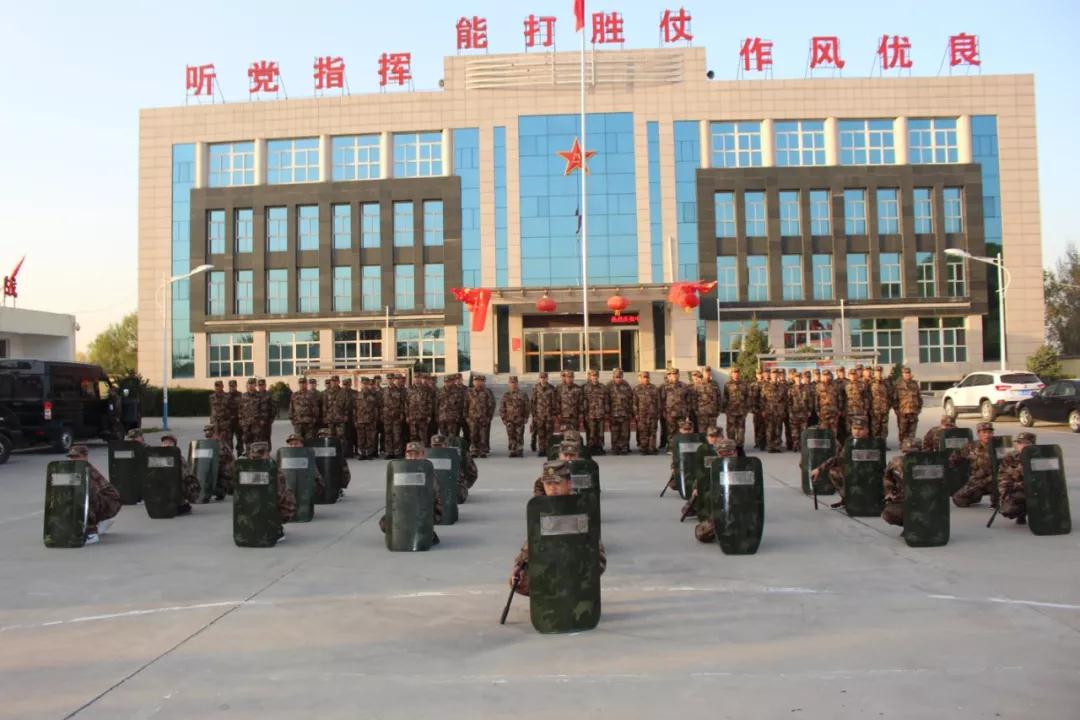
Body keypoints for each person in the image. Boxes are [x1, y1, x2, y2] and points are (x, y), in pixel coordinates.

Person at [511, 460, 606, 597]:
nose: (552, 488)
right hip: (552, 562)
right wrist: (519, 565)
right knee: (519, 582)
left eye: (557, 483)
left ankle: (572, 592)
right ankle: (554, 597)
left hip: (580, 561)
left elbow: (594, 549)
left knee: (574, 575)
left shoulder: (581, 506)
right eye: (548, 484)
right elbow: (532, 540)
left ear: (569, 484)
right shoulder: (541, 508)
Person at [379, 441, 442, 542]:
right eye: (410, 454)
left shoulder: (429, 472)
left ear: (422, 455)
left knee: (417, 520)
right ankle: (405, 534)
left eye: (416, 454)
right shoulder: (401, 471)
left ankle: (428, 533)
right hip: (405, 508)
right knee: (385, 523)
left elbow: (434, 497)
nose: (413, 458)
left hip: (425, 510)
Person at [810, 415, 871, 506]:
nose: (857, 432)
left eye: (861, 429)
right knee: (834, 472)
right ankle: (847, 499)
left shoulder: (872, 443)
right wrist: (819, 469)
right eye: (854, 428)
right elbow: (838, 458)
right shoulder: (850, 442)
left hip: (868, 477)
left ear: (867, 430)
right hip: (854, 473)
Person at [68, 444, 122, 545]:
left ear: (85, 456)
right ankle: (99, 523)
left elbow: (92, 494)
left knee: (85, 496)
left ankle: (92, 533)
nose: (73, 459)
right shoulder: (73, 470)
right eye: (71, 457)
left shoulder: (88, 471)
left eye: (77, 456)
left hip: (111, 502)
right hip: (100, 500)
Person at [690, 437, 738, 543]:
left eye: (729, 453)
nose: (726, 456)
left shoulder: (744, 466)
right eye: (722, 453)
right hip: (718, 499)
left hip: (738, 499)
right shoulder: (713, 465)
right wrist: (696, 488)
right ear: (717, 453)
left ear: (735, 452)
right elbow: (702, 478)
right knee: (703, 534)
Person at [245, 442, 296, 526]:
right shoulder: (245, 469)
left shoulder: (275, 471)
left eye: (261, 454)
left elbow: (279, 496)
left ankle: (275, 525)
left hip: (273, 506)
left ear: (267, 454)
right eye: (255, 456)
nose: (258, 458)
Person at [952, 422, 996, 507]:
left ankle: (997, 499)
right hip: (977, 481)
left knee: (1005, 505)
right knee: (958, 499)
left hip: (993, 481)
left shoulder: (999, 445)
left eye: (990, 432)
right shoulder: (971, 446)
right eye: (984, 432)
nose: (987, 435)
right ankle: (976, 496)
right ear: (978, 434)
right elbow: (955, 458)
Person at [996, 431, 1035, 525]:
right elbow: (1002, 478)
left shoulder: (1040, 457)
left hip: (1037, 490)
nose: (1022, 446)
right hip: (1018, 490)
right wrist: (1004, 495)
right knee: (1008, 509)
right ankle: (1022, 513)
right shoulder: (1010, 458)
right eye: (1020, 443)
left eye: (1026, 443)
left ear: (1033, 445)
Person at [881, 438, 920, 526]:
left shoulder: (925, 463)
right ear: (903, 451)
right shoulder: (896, 462)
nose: (910, 454)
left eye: (914, 452)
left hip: (920, 501)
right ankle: (908, 527)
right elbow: (887, 477)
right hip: (901, 499)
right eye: (907, 452)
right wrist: (889, 492)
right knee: (888, 514)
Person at [159, 434, 200, 515]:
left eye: (169, 443)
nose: (166, 445)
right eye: (164, 443)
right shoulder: (157, 457)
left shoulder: (179, 458)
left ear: (174, 446)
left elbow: (185, 474)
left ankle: (181, 504)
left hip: (176, 484)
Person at [499, 376, 531, 458]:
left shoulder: (523, 394)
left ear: (517, 383)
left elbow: (527, 407)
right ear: (509, 384)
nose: (513, 384)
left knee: (519, 435)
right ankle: (513, 450)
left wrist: (526, 417)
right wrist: (504, 419)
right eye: (511, 382)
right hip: (509, 419)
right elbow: (502, 408)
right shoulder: (506, 395)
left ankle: (519, 450)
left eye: (515, 383)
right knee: (511, 435)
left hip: (520, 419)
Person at [721, 366, 750, 453]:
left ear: (739, 374)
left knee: (741, 430)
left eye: (737, 373)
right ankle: (731, 446)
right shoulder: (727, 384)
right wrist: (724, 409)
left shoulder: (744, 384)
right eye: (734, 373)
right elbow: (725, 397)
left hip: (741, 411)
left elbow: (748, 397)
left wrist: (747, 409)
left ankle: (740, 447)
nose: (736, 374)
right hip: (731, 411)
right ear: (731, 374)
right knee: (730, 430)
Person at [661, 368, 690, 452]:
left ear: (679, 375)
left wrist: (687, 411)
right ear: (669, 376)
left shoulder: (684, 386)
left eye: (676, 374)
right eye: (673, 374)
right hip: (670, 413)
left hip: (682, 413)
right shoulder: (665, 386)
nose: (675, 376)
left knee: (682, 431)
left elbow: (688, 400)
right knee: (671, 431)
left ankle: (680, 448)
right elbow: (662, 400)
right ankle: (671, 448)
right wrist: (663, 411)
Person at [582, 369, 610, 455]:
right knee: (591, 432)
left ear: (598, 376)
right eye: (593, 376)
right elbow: (583, 401)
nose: (594, 377)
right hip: (590, 415)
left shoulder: (603, 387)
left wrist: (606, 412)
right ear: (590, 377)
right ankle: (591, 448)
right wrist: (584, 413)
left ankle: (599, 447)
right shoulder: (585, 387)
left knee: (600, 432)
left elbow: (606, 401)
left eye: (596, 376)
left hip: (601, 414)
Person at [608, 368, 635, 455]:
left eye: (620, 377)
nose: (618, 379)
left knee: (625, 432)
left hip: (625, 413)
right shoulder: (609, 386)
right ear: (613, 377)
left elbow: (631, 399)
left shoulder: (626, 385)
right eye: (616, 377)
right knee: (614, 432)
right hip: (613, 413)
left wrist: (631, 412)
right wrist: (607, 412)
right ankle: (615, 448)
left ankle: (624, 448)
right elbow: (606, 400)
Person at [468, 374, 496, 458]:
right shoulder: (469, 392)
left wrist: (489, 417)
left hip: (484, 418)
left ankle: (483, 450)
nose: (478, 383)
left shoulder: (487, 392)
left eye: (480, 381)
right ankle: (474, 450)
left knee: (483, 435)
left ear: (483, 382)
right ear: (473, 382)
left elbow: (492, 405)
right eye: (476, 381)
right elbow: (465, 405)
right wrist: (467, 417)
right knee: (473, 435)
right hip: (472, 418)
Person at [530, 372, 558, 457]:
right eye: (541, 378)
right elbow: (533, 402)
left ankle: (549, 450)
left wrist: (554, 414)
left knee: (549, 434)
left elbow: (554, 402)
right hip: (539, 415)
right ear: (539, 378)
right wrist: (534, 415)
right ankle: (542, 450)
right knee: (541, 433)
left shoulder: (552, 388)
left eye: (544, 378)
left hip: (549, 415)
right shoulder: (536, 388)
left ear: (547, 378)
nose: (543, 379)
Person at [202, 423, 233, 499]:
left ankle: (222, 490)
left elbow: (221, 460)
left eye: (209, 431)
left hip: (225, 473)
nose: (207, 433)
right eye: (206, 431)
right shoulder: (208, 443)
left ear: (214, 432)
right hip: (217, 470)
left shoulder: (220, 444)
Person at [316, 427, 350, 495]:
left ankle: (338, 487)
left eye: (325, 435)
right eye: (320, 435)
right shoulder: (315, 445)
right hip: (319, 466)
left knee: (343, 471)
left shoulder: (336, 444)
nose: (322, 437)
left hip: (332, 465)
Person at [894, 366, 923, 445]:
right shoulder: (898, 385)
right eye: (905, 373)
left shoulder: (915, 384)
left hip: (913, 411)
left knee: (912, 431)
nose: (907, 374)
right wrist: (897, 411)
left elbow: (919, 397)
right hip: (903, 412)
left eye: (908, 373)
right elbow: (895, 399)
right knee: (903, 431)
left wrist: (919, 409)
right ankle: (903, 445)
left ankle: (911, 446)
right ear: (902, 374)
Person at [381, 373, 407, 459]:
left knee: (397, 434)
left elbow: (403, 403)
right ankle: (389, 452)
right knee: (388, 434)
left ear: (394, 380)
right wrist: (381, 414)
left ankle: (397, 452)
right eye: (388, 379)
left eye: (392, 379)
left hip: (396, 415)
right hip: (386, 416)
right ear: (387, 380)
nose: (390, 381)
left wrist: (402, 413)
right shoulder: (384, 390)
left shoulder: (399, 390)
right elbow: (381, 404)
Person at [354, 377, 381, 460]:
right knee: (361, 438)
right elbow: (354, 409)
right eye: (363, 384)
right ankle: (362, 454)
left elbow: (376, 408)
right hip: (360, 420)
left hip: (370, 419)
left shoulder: (374, 395)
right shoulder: (357, 395)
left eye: (367, 384)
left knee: (370, 437)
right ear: (361, 384)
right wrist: (355, 420)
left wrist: (375, 420)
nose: (365, 385)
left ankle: (369, 453)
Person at [634, 371, 660, 454]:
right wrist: (636, 414)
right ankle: (644, 448)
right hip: (642, 415)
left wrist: (658, 413)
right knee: (643, 431)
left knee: (652, 431)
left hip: (653, 414)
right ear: (640, 378)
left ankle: (652, 448)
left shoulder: (654, 388)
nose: (646, 379)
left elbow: (658, 402)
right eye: (644, 377)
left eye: (647, 377)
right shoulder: (636, 389)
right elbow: (634, 403)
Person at [761, 368, 787, 453]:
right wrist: (763, 410)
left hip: (779, 412)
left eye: (776, 374)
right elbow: (762, 399)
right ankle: (770, 446)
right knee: (770, 429)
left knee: (778, 429)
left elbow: (785, 399)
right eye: (773, 374)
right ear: (770, 375)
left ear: (778, 375)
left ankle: (777, 446)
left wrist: (783, 410)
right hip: (769, 411)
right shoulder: (765, 386)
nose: (775, 375)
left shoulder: (782, 386)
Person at [815, 370, 842, 440]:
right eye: (824, 375)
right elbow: (816, 399)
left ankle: (833, 444)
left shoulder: (836, 385)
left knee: (834, 431)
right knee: (823, 430)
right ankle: (825, 445)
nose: (826, 377)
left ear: (830, 376)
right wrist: (817, 410)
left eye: (827, 375)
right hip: (823, 412)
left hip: (834, 412)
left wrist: (840, 409)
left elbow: (839, 398)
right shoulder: (818, 386)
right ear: (822, 376)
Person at [869, 366, 893, 444]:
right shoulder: (870, 383)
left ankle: (883, 444)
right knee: (875, 428)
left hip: (884, 410)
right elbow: (868, 397)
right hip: (875, 410)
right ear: (874, 373)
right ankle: (875, 444)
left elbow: (890, 395)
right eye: (877, 372)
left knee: (884, 428)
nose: (878, 373)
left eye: (880, 372)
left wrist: (888, 406)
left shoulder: (886, 383)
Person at [557, 370, 584, 436]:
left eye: (571, 377)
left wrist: (581, 413)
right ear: (565, 377)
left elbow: (581, 402)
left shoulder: (578, 388)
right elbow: (557, 401)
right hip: (564, 416)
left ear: (573, 378)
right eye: (568, 377)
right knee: (563, 434)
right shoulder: (560, 388)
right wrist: (558, 413)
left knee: (575, 434)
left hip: (575, 415)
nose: (569, 379)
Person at [239, 378, 263, 450]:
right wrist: (241, 421)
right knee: (247, 442)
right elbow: (240, 409)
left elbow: (264, 409)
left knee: (256, 443)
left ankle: (256, 456)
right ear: (247, 385)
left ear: (255, 385)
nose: (251, 385)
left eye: (252, 384)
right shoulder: (243, 396)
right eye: (249, 384)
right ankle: (248, 455)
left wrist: (262, 421)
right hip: (246, 424)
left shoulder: (260, 395)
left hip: (256, 424)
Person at [227, 379, 244, 456]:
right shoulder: (226, 396)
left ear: (236, 386)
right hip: (229, 422)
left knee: (240, 440)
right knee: (228, 441)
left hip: (238, 422)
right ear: (229, 386)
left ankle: (240, 456)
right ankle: (229, 457)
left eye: (233, 386)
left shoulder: (241, 395)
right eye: (231, 386)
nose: (232, 388)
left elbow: (243, 408)